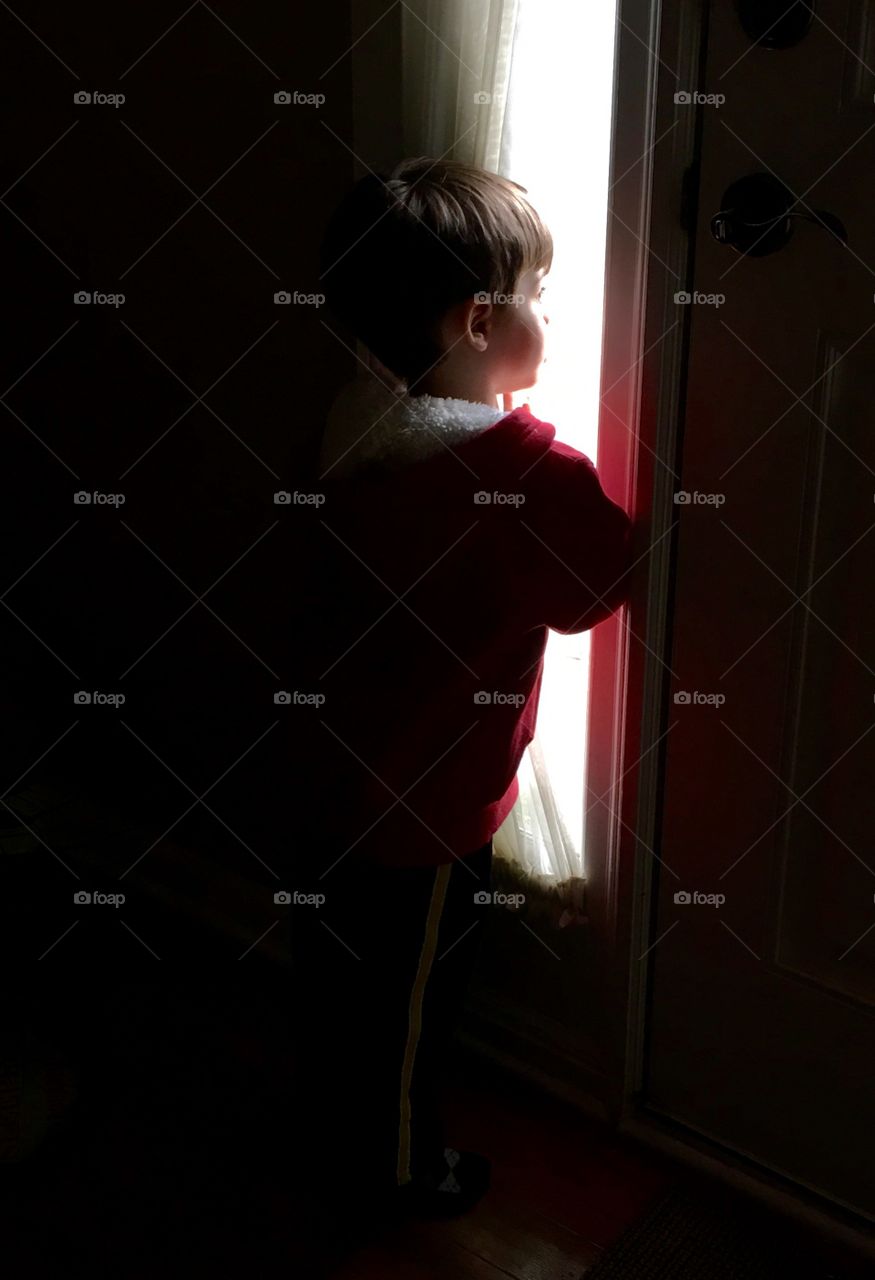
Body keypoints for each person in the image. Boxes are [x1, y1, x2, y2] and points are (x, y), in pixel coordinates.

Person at [288, 156, 635, 1230]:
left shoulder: (353, 428)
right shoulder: (525, 476)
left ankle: (327, 1126)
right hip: (427, 806)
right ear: (478, 323)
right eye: (536, 291)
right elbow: (599, 587)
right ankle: (395, 1175)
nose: (550, 311)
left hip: (327, 772)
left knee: (344, 987)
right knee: (409, 1011)